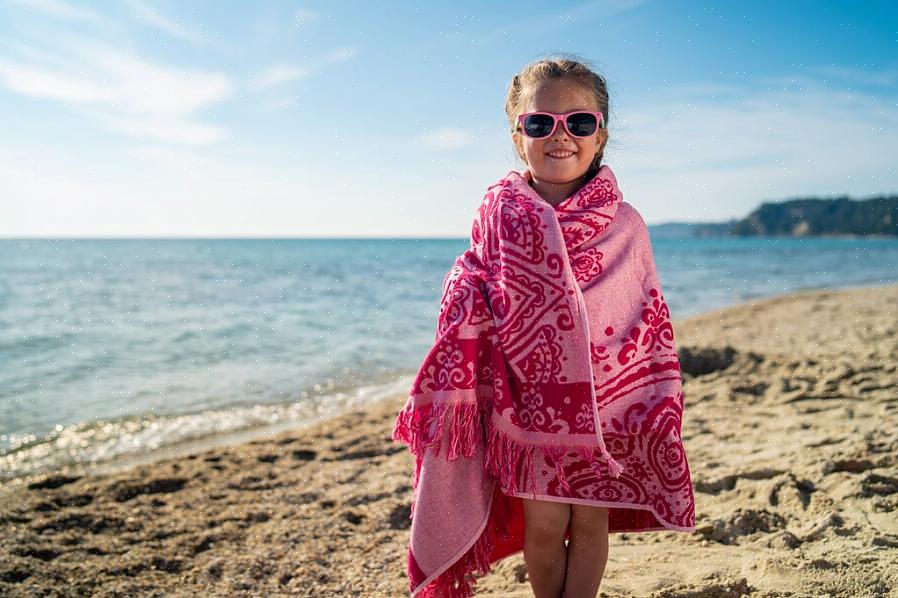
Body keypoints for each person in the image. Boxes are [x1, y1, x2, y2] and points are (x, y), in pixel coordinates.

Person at [393, 54, 695, 598]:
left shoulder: (625, 223)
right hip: (529, 404)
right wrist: (466, 292)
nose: (562, 136)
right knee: (545, 524)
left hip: (608, 407)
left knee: (591, 524)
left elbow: (643, 315)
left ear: (600, 135)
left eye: (580, 122)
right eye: (541, 123)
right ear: (518, 135)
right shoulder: (499, 212)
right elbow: (478, 279)